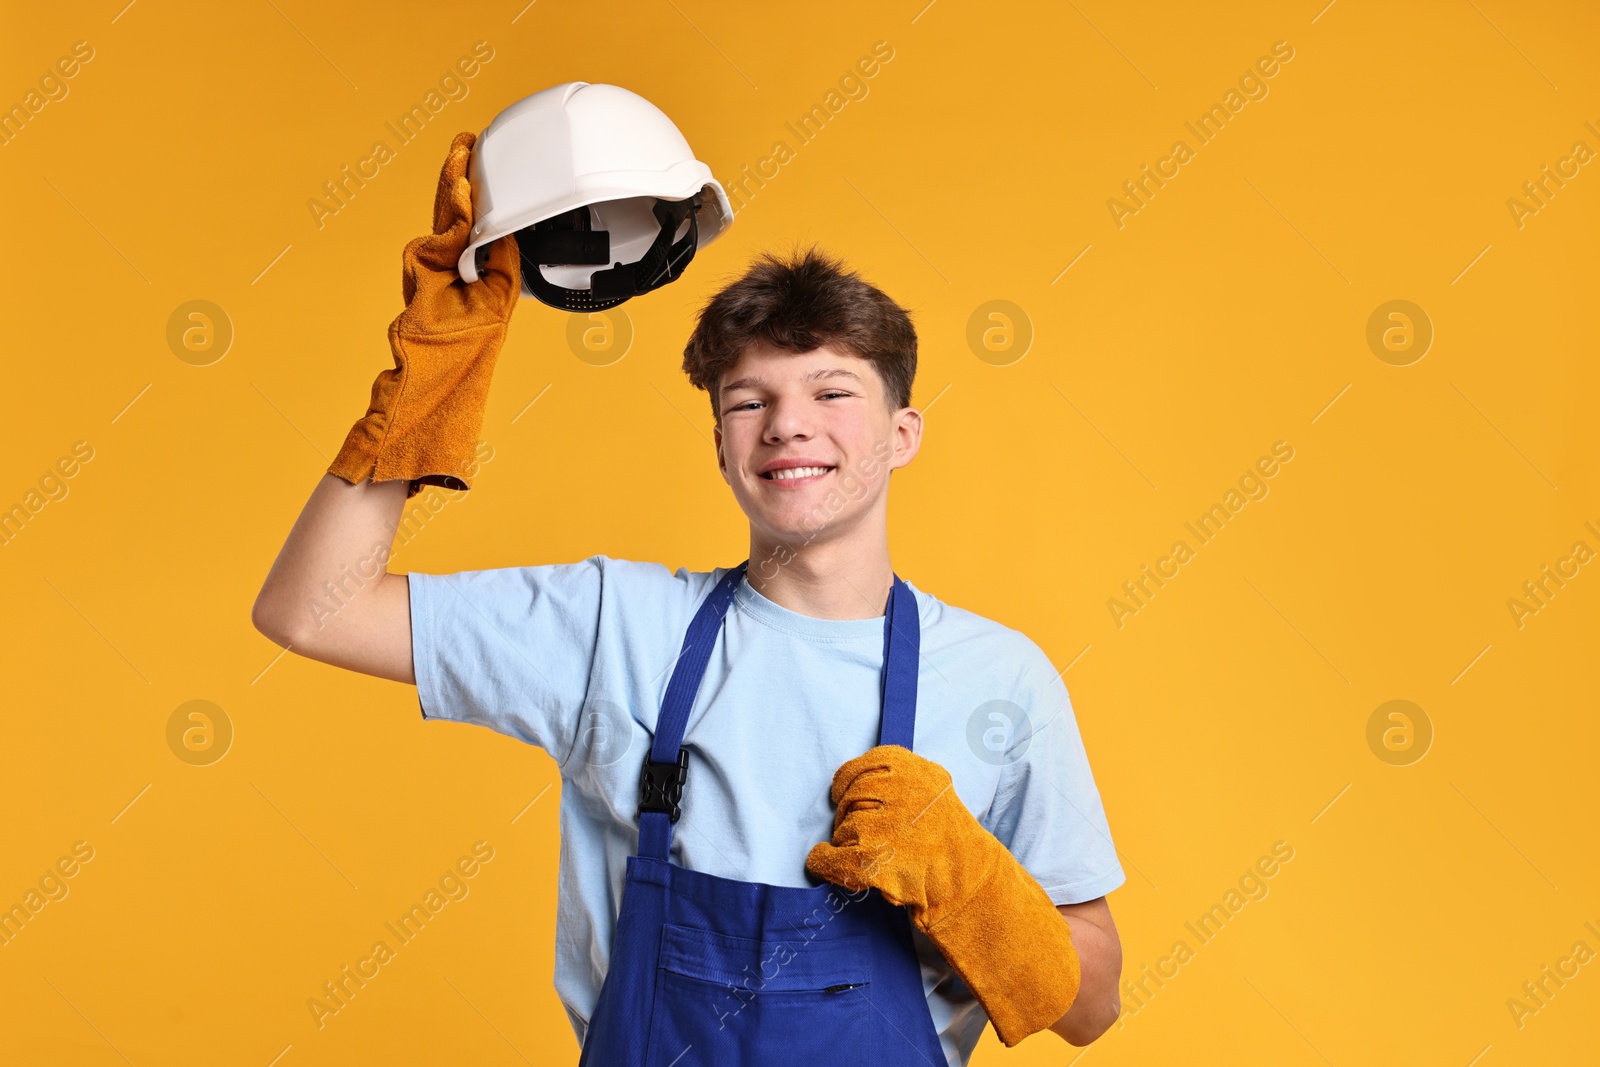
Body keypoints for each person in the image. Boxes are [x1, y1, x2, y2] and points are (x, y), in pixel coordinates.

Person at [252, 133, 1125, 1066]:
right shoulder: (615, 629)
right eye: (748, 400)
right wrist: (428, 384)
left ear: (903, 432)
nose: (788, 422)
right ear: (720, 444)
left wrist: (970, 880)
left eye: (832, 391)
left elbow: (1092, 1005)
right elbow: (310, 609)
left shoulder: (1002, 679)